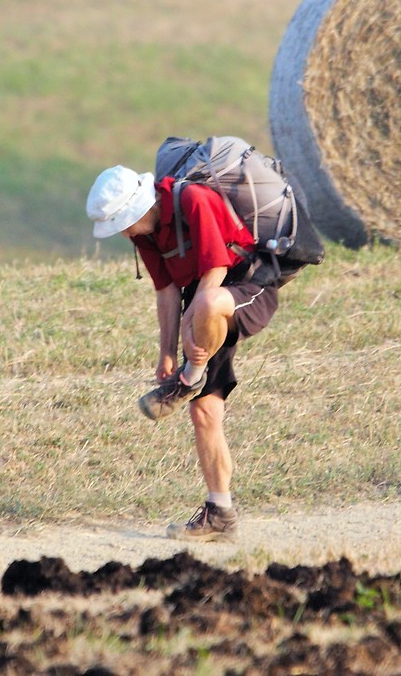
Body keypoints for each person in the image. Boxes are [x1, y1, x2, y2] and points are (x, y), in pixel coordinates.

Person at [87, 162, 279, 542]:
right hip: (206, 299)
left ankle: (190, 379)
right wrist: (166, 353)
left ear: (140, 207)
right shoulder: (145, 234)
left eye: (123, 223)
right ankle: (220, 513)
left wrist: (191, 351)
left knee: (206, 305)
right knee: (204, 412)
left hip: (246, 282)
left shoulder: (193, 199)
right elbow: (167, 291)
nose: (124, 233)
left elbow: (215, 272)